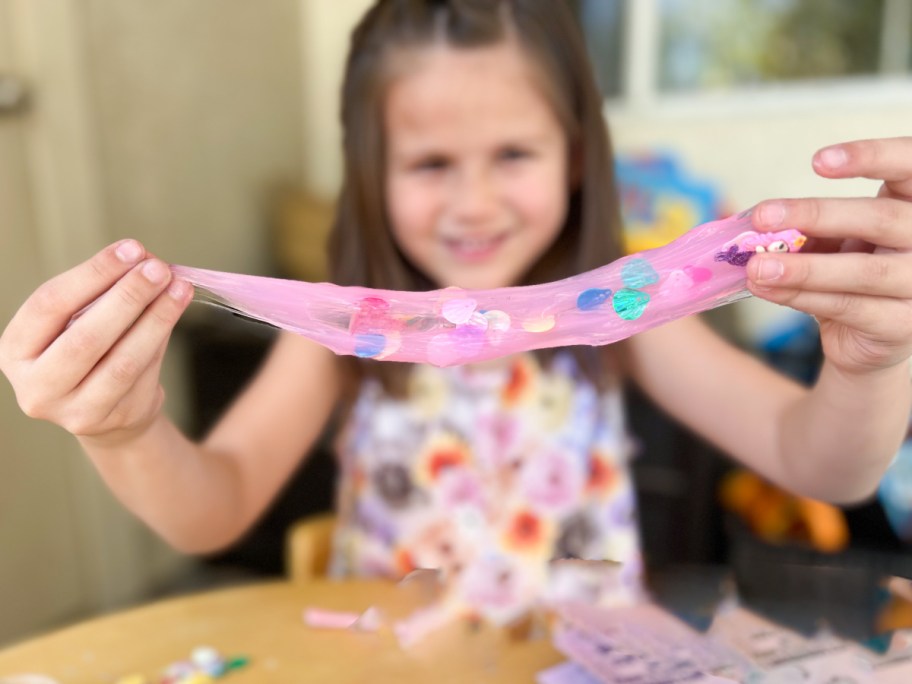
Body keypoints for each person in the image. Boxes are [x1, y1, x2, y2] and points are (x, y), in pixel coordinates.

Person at [1, 0, 911, 620]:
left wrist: (870, 362)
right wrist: (124, 432)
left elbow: (821, 466)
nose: (474, 204)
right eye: (432, 164)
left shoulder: (632, 320)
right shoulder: (339, 339)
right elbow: (212, 513)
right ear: (372, 175)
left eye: (513, 153)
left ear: (578, 160)